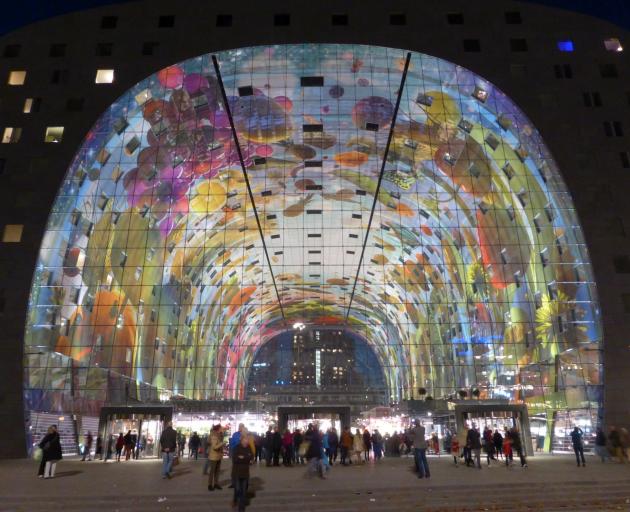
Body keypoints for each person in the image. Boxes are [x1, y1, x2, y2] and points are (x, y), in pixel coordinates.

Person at [232, 434, 253, 512]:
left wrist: (243, 457)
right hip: (237, 472)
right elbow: (235, 459)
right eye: (246, 440)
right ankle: (235, 499)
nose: (247, 441)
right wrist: (246, 458)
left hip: (245, 473)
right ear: (242, 440)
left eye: (248, 440)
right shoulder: (237, 448)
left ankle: (241, 508)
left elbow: (251, 456)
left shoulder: (249, 447)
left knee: (243, 491)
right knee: (237, 489)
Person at [207, 424, 224, 491]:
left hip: (218, 456)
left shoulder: (220, 435)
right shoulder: (214, 435)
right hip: (214, 456)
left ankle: (216, 483)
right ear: (218, 429)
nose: (223, 429)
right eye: (221, 428)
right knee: (212, 471)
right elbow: (214, 447)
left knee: (217, 471)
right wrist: (222, 444)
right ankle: (210, 485)